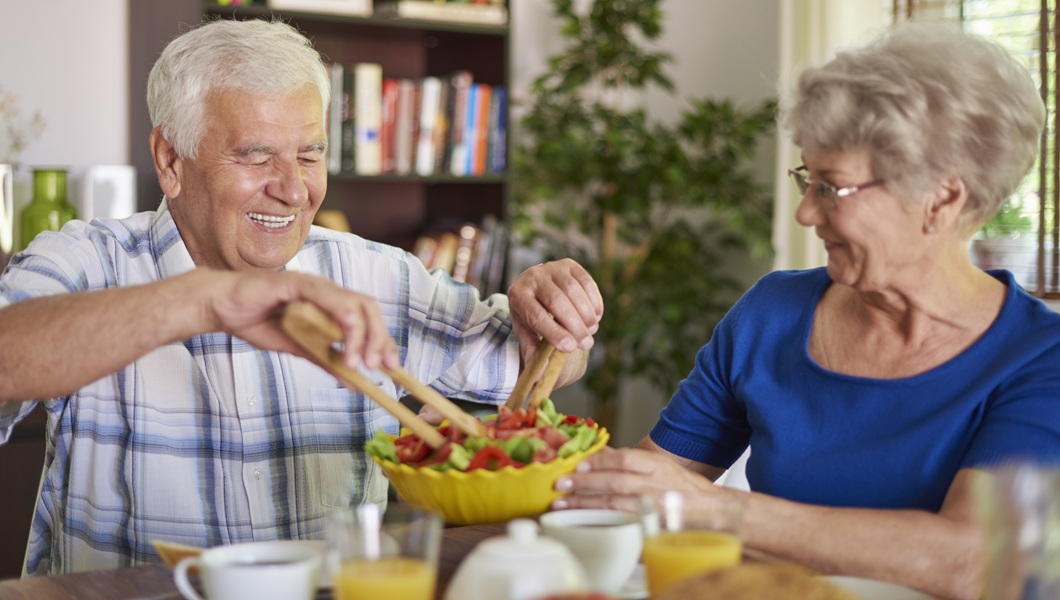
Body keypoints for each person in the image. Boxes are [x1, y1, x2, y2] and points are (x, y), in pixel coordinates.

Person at [0, 19, 602, 577]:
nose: (293, 189)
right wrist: (202, 301)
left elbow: (542, 363)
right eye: (255, 155)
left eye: (310, 154)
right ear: (170, 159)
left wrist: (555, 317)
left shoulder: (374, 275)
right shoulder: (87, 260)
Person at [552, 23, 1060, 600]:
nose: (805, 214)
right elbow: (638, 495)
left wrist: (719, 511)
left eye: (830, 188)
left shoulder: (1041, 357)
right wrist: (533, 387)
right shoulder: (772, 313)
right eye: (807, 179)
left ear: (941, 200)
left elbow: (971, 563)